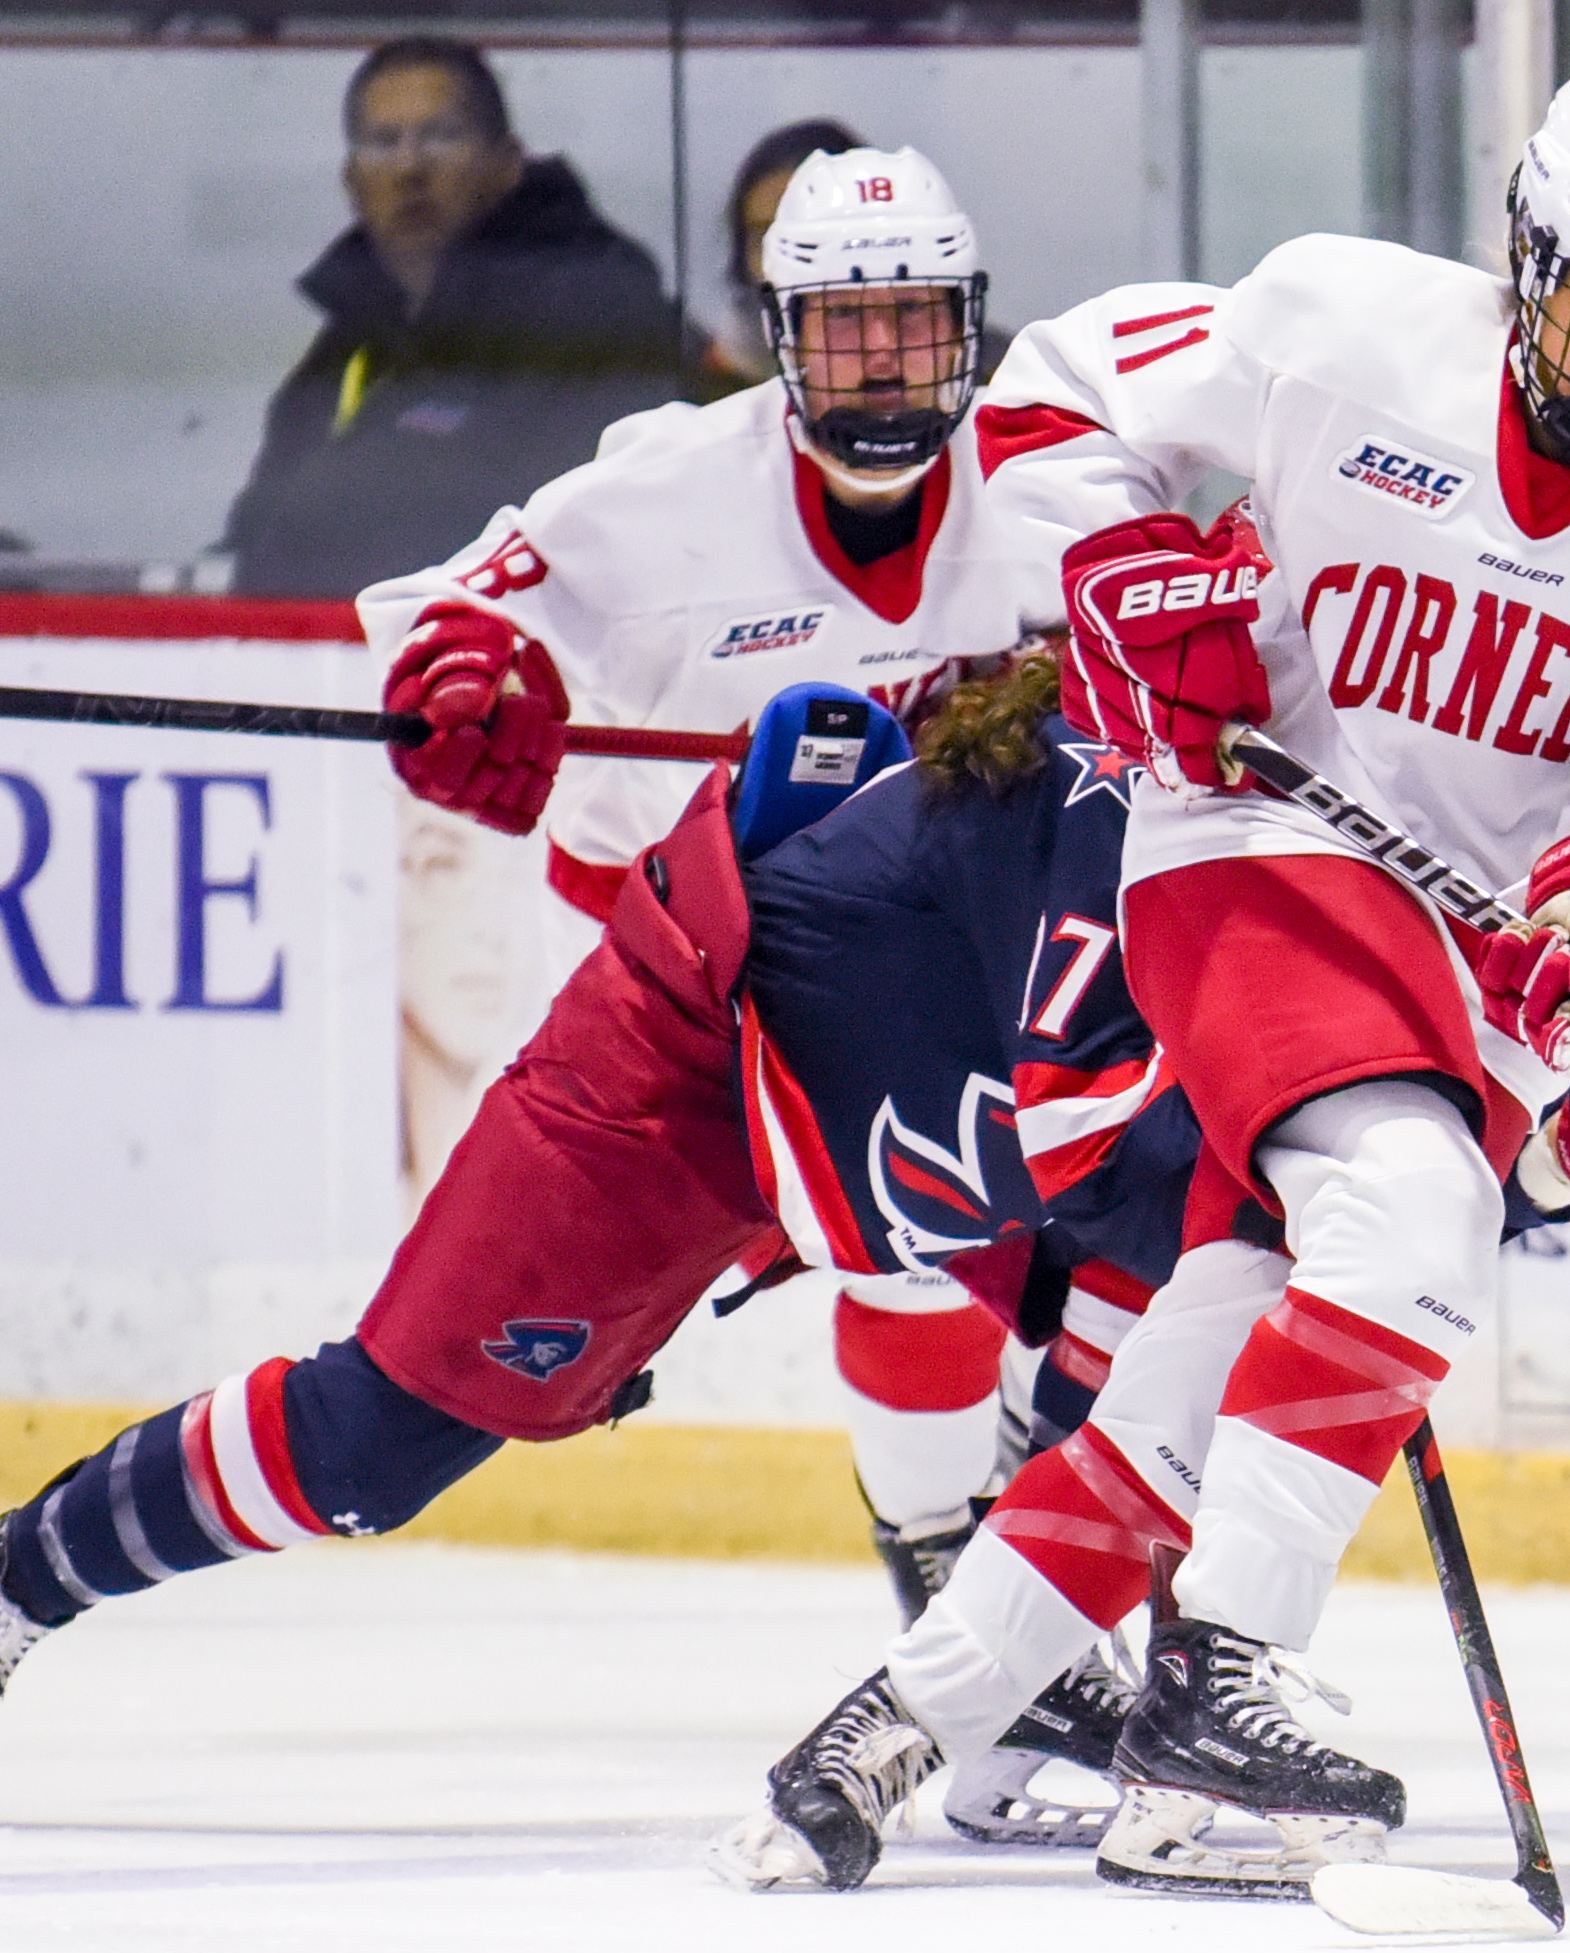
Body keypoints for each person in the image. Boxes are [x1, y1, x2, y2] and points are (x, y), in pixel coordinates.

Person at [718, 63, 1570, 1899]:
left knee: (1202, 1361)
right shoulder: (1343, 318)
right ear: (1526, 257)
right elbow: (1052, 400)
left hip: (1470, 947)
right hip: (1244, 839)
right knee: (1410, 1204)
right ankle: (1220, 1669)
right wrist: (1128, 572)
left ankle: (877, 1737)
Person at [0, 670, 1194, 1843]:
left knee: (1176, 1291)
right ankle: (19, 1576)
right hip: (695, 1065)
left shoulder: (1254, 811)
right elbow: (1096, 1135)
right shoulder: (1120, 790)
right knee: (374, 1443)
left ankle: (1026, 1682)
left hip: (897, 1095)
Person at [353, 144, 1107, 1618]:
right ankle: (963, 1568)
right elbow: (437, 614)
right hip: (677, 980)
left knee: (1023, 1240)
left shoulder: (1054, 488)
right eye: (842, 325)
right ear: (778, 336)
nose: (882, 365)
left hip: (930, 960)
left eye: (914, 322)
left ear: (970, 326)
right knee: (445, 1392)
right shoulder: (669, 488)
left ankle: (968, 1584)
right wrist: (471, 676)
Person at [223, 38, 688, 600]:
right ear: (351, 180)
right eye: (381, 142)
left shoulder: (591, 313)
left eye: (442, 136)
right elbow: (257, 545)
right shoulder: (345, 345)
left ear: (507, 162)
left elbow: (587, 546)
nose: (409, 166)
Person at [691, 117, 867, 398]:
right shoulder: (725, 371)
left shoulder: (919, 361)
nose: (783, 259)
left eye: (805, 238)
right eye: (763, 239)